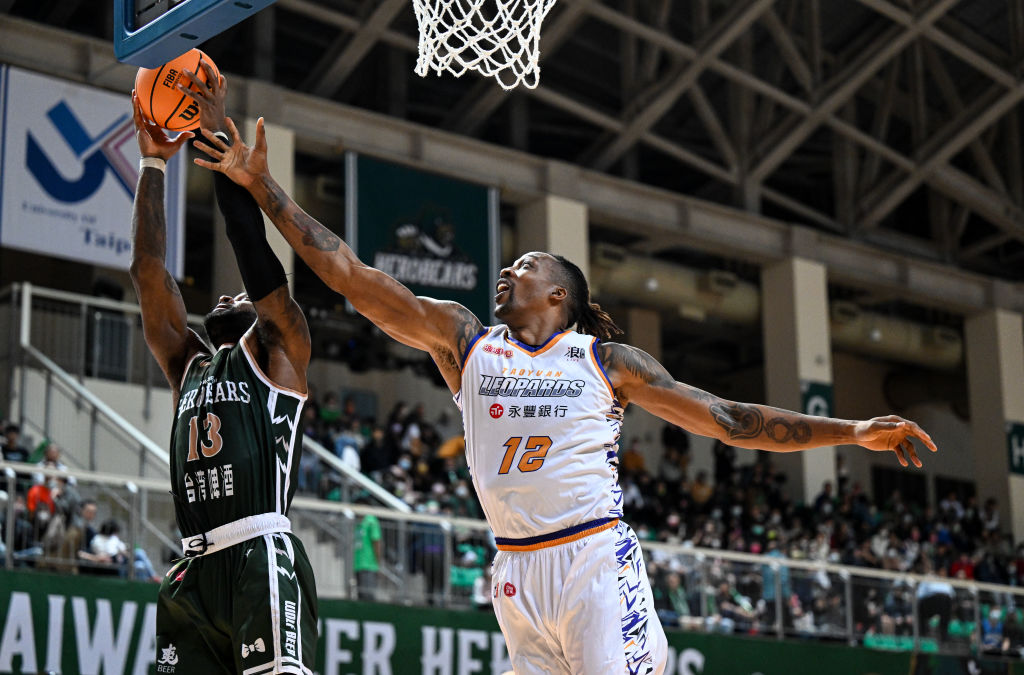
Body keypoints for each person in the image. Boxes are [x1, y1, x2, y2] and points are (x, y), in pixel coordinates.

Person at [193, 117, 938, 675]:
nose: (505, 272)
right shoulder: (465, 341)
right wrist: (263, 188)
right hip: (515, 574)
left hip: (591, 564)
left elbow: (733, 420)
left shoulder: (606, 360)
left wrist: (853, 428)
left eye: (522, 264)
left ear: (559, 291)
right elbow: (354, 277)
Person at [131, 65, 317, 674]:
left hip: (258, 554)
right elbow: (148, 271)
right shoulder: (189, 365)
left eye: (245, 294)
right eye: (227, 294)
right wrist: (154, 163)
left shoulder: (278, 352)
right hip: (190, 570)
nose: (233, 293)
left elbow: (249, 244)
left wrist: (219, 145)